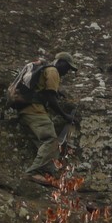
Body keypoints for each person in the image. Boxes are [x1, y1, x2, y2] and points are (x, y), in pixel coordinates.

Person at [18, 52, 77, 185]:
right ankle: (33, 173)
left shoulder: (45, 70)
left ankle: (46, 174)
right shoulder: (53, 71)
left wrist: (56, 92)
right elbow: (51, 99)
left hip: (25, 111)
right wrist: (65, 115)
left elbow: (44, 91)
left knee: (44, 144)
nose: (67, 72)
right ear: (61, 62)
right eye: (67, 68)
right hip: (34, 110)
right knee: (51, 140)